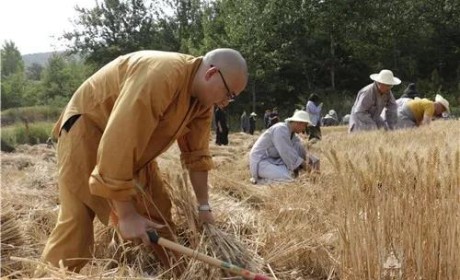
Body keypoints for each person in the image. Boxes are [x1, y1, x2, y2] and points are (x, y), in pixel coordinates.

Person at [37, 49, 248, 274]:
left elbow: (197, 156)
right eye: (229, 94)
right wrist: (126, 215)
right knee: (77, 225)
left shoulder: (202, 103)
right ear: (211, 73)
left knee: (158, 211)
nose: (226, 103)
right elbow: (119, 141)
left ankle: (179, 274)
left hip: (135, 150)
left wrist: (204, 207)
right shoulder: (161, 75)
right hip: (87, 132)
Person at [249, 110, 320, 184]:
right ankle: (259, 182)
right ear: (299, 123)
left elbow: (300, 148)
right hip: (261, 161)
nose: (304, 129)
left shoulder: (292, 134)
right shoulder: (280, 129)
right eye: (304, 126)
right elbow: (286, 152)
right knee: (289, 178)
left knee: (294, 174)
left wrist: (312, 159)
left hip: (274, 160)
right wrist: (305, 166)